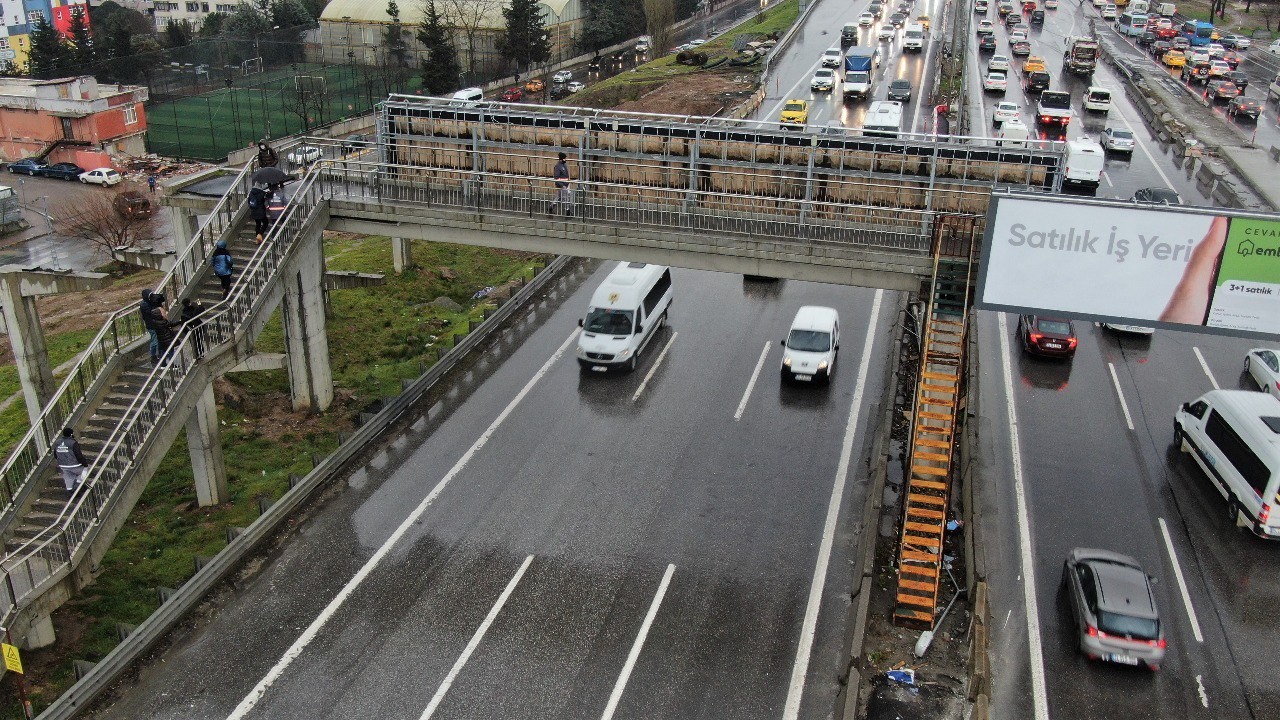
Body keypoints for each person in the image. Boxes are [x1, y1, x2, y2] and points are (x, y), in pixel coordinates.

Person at [53, 427, 90, 494]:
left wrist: (60, 461)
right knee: (85, 470)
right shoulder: (73, 443)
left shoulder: (57, 442)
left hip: (63, 465)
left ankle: (70, 491)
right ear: (71, 434)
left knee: (68, 478)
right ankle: (78, 483)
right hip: (74, 465)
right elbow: (78, 454)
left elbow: (55, 454)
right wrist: (84, 463)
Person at [139, 289, 159, 364]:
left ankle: (157, 355)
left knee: (156, 340)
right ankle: (153, 356)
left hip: (155, 324)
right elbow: (152, 312)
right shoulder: (144, 305)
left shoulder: (148, 303)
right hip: (151, 325)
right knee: (154, 341)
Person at [549, 152, 572, 217]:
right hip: (562, 185)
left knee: (559, 197)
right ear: (561, 159)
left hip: (566, 184)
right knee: (566, 197)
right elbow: (556, 178)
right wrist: (562, 185)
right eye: (564, 158)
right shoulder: (558, 167)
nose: (565, 159)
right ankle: (567, 210)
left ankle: (551, 207)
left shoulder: (563, 165)